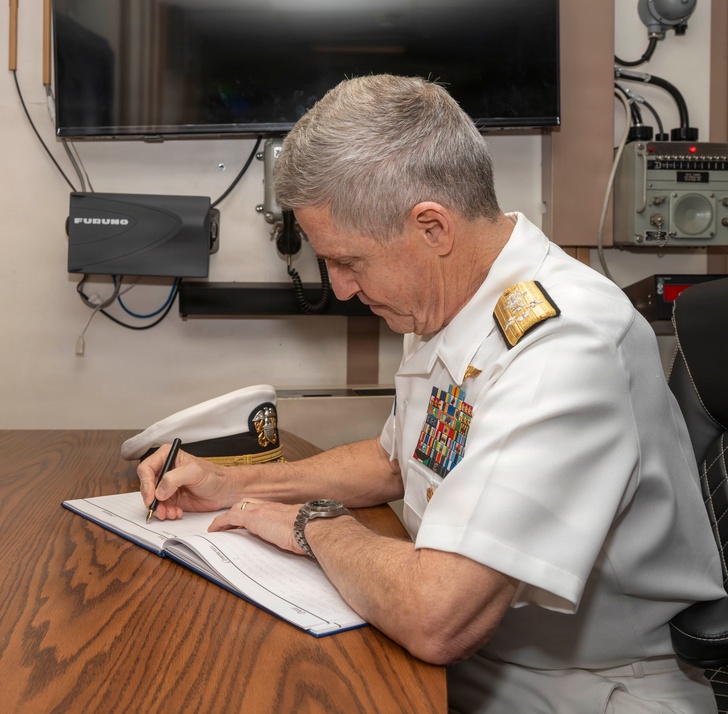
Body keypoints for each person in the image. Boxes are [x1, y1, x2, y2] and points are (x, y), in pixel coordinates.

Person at [136, 75, 724, 713]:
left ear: (431, 228)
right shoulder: (451, 297)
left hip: (586, 683)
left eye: (348, 261)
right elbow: (399, 460)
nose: (339, 288)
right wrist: (236, 486)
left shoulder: (566, 346)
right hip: (485, 654)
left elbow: (438, 617)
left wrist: (312, 526)